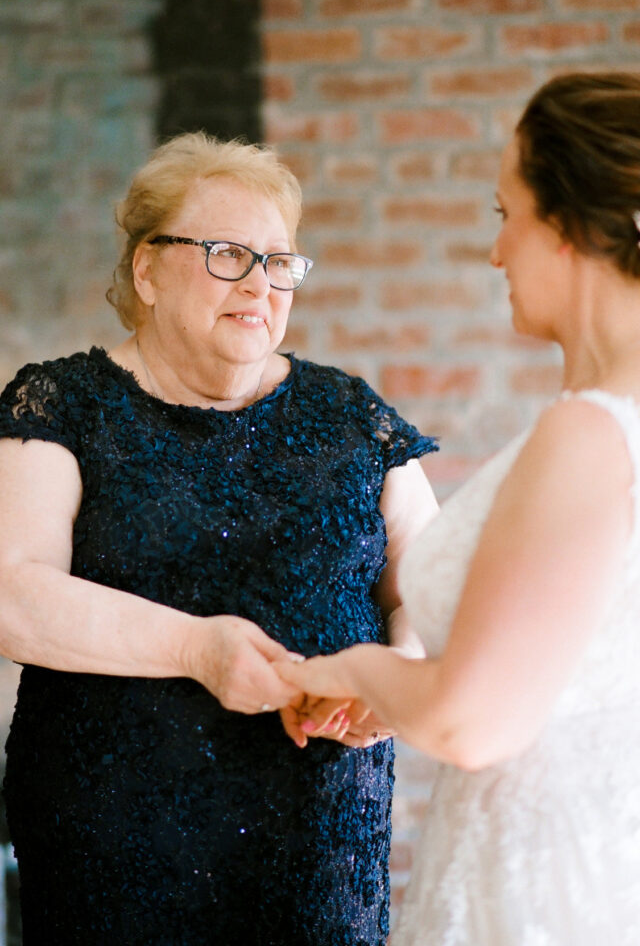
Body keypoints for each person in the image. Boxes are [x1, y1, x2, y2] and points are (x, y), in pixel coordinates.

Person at [0, 132, 439, 945]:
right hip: (113, 841)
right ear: (145, 271)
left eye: (280, 262)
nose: (261, 283)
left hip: (318, 838)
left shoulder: (352, 416)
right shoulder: (60, 404)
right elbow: (14, 595)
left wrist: (396, 678)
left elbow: (438, 585)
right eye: (229, 254)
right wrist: (199, 650)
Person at [278, 71, 640, 944]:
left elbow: (471, 721)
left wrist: (347, 670)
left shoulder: (594, 434)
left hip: (546, 888)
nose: (497, 252)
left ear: (567, 224)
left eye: (507, 214)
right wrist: (410, 693)